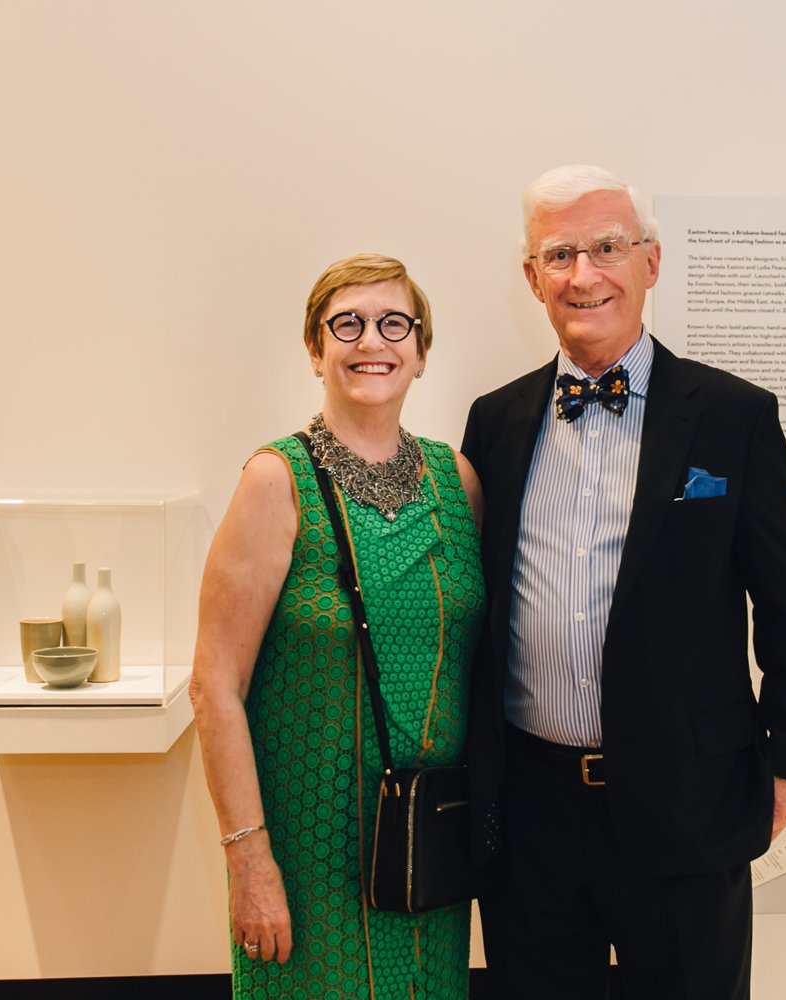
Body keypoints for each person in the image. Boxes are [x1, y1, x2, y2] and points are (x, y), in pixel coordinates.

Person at [461, 165, 786, 999]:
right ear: (531, 278)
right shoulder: (494, 422)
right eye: (559, 255)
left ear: (650, 264)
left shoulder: (734, 417)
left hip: (687, 799)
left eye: (607, 248)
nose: (583, 275)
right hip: (532, 815)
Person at [191, 253, 485, 998]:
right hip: (310, 847)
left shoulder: (459, 482)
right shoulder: (275, 480)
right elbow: (215, 686)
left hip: (427, 850)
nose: (371, 341)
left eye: (394, 324)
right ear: (315, 349)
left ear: (420, 352)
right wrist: (249, 863)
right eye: (346, 324)